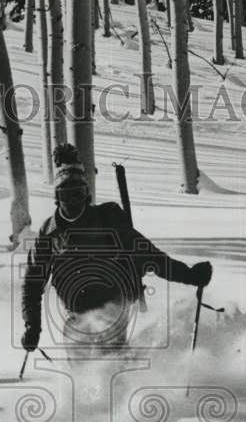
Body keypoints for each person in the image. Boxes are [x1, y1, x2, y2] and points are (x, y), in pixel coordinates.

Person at [22, 144, 212, 357]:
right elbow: (32, 283)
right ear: (57, 198)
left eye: (78, 194)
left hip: (113, 303)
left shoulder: (108, 219)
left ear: (87, 195)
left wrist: (189, 275)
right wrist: (32, 325)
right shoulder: (49, 233)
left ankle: (121, 371)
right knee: (79, 356)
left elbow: (149, 256)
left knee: (109, 353)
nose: (73, 202)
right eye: (67, 195)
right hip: (75, 312)